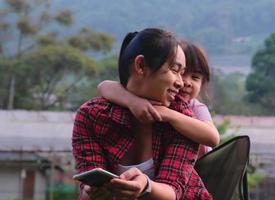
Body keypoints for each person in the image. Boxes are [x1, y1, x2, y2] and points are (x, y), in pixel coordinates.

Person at [72, 28, 212, 200]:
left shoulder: (182, 118)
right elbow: (88, 180)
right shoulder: (91, 116)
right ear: (140, 66)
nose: (181, 83)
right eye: (175, 70)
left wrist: (146, 185)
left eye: (182, 73)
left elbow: (173, 190)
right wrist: (91, 191)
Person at [97, 40, 219, 158]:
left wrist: (167, 114)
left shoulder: (195, 106)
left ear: (203, 84)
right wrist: (133, 101)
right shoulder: (157, 98)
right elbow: (104, 86)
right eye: (179, 72)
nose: (185, 82)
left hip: (200, 170)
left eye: (195, 77)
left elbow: (213, 138)